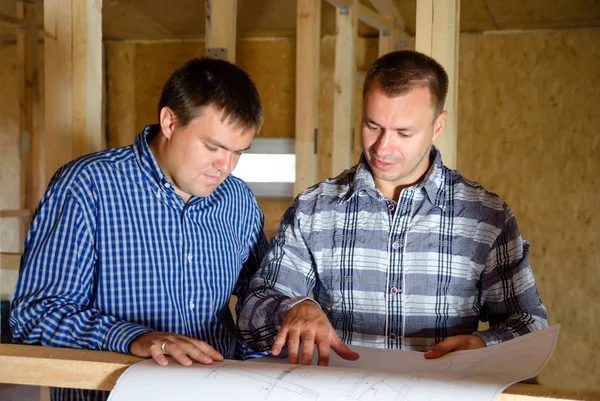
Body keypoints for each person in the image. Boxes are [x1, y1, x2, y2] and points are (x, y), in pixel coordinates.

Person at [238, 50, 548, 366]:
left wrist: (484, 343)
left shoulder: (487, 218)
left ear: (437, 126)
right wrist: (294, 308)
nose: (383, 148)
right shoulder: (314, 210)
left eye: (403, 133)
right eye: (373, 126)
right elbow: (254, 310)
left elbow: (529, 322)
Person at [10, 57, 268, 401]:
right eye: (213, 147)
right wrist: (133, 338)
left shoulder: (239, 201)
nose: (225, 166)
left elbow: (262, 298)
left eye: (239, 152)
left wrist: (295, 309)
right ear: (169, 122)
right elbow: (35, 317)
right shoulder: (87, 187)